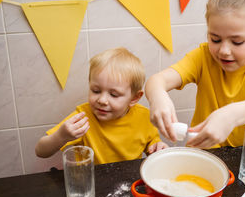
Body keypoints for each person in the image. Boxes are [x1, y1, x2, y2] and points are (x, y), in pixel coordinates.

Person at [145, 0, 245, 149]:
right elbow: (156, 81)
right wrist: (158, 97)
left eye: (237, 42)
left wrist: (231, 115)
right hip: (205, 154)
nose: (224, 51)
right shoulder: (203, 56)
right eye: (215, 39)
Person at [35, 47, 168, 164]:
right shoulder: (83, 117)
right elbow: (41, 151)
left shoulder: (144, 117)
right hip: (92, 184)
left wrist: (157, 147)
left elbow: (152, 145)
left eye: (114, 94)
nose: (102, 100)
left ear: (134, 98)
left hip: (129, 184)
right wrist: (61, 136)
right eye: (96, 91)